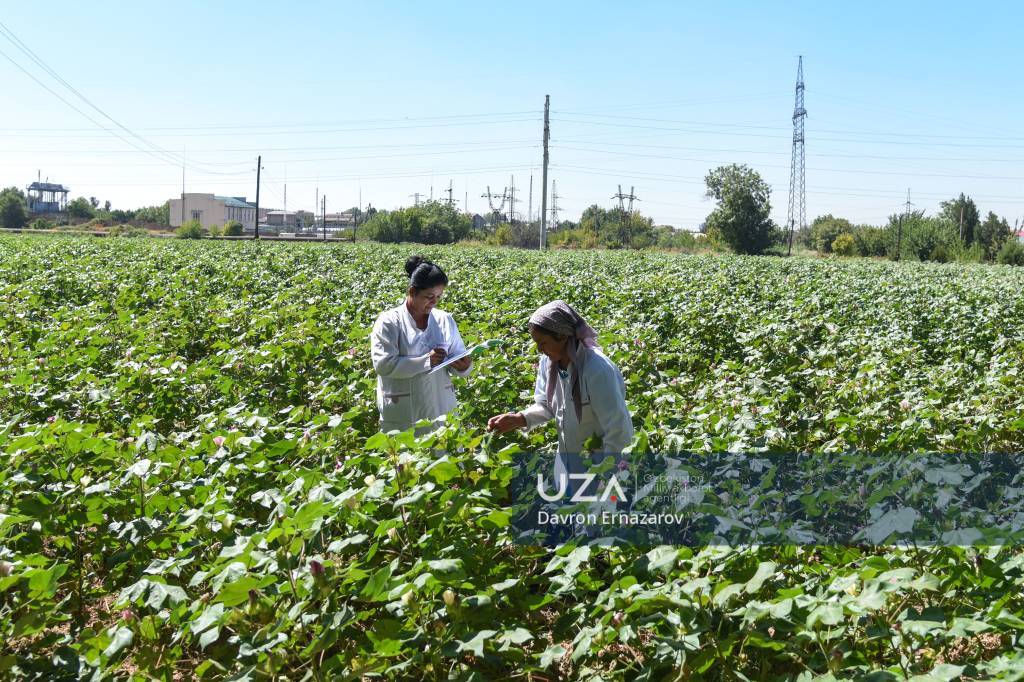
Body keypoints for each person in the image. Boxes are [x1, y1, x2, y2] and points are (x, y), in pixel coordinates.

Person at [487, 300, 634, 498]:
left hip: (597, 465)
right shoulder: (549, 363)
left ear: (562, 336)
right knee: (569, 515)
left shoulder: (596, 369)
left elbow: (618, 430)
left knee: (595, 521)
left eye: (543, 343)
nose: (539, 349)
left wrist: (607, 477)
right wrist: (520, 418)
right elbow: (548, 405)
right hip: (567, 460)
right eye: (537, 343)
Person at [370, 256, 472, 434]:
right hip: (403, 413)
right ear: (412, 291)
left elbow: (458, 356)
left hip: (441, 406)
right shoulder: (389, 322)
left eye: (438, 297)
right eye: (429, 297)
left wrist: (464, 367)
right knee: (406, 457)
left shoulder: (444, 320)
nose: (434, 302)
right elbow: (383, 365)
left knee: (445, 457)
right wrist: (426, 361)